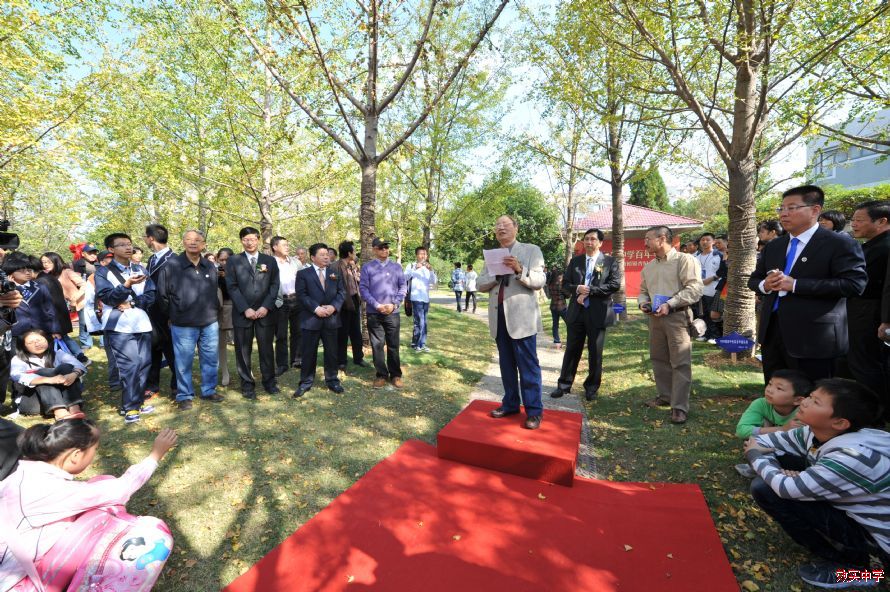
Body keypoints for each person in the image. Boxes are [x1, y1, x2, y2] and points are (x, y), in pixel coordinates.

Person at [743, 379, 889, 589]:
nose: (804, 402)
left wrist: (756, 457)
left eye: (816, 402)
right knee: (774, 475)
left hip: (882, 543)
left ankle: (862, 569)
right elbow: (761, 441)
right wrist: (777, 470)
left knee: (766, 488)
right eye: (811, 396)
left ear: (839, 422)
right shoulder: (815, 432)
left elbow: (783, 486)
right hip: (855, 512)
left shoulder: (852, 456)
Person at [0, 420, 177, 591]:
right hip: (13, 583)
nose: (94, 454)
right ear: (76, 456)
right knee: (102, 511)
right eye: (95, 449)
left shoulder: (21, 477)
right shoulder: (55, 491)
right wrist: (155, 455)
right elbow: (122, 488)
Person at [749, 185, 867, 384]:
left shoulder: (839, 244)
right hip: (773, 333)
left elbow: (854, 284)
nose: (783, 214)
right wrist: (765, 285)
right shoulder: (775, 246)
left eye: (792, 208)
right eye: (781, 208)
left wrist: (796, 285)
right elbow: (754, 280)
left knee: (812, 393)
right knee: (775, 391)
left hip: (814, 337)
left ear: (815, 210)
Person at [477, 215, 546, 430]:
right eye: (497, 225)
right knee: (506, 366)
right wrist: (495, 275)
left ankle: (534, 411)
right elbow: (479, 284)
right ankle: (510, 404)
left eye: (505, 225)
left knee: (528, 367)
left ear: (516, 228)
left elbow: (540, 280)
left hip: (522, 319)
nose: (500, 228)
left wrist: (518, 269)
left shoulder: (531, 250)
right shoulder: (492, 256)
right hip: (499, 318)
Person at [638, 225, 703, 424]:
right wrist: (643, 303)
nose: (645, 243)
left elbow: (694, 289)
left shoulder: (684, 260)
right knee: (658, 358)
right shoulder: (649, 267)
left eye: (648, 238)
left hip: (677, 316)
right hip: (655, 318)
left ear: (662, 238)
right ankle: (665, 396)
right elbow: (643, 291)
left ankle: (679, 407)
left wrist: (670, 304)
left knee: (680, 362)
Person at [551, 228, 621, 401]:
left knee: (595, 351)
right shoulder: (575, 261)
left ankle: (591, 388)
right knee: (572, 349)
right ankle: (564, 385)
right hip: (577, 313)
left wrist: (590, 290)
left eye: (593, 239)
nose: (589, 242)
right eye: (586, 239)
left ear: (600, 243)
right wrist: (577, 288)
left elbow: (614, 285)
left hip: (598, 313)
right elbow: (565, 285)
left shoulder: (610, 262)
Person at [157, 230, 222, 411]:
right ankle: (184, 395)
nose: (193, 242)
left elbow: (214, 291)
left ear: (204, 244)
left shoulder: (210, 265)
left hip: (209, 321)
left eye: (197, 240)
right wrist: (172, 315)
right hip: (183, 323)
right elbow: (162, 296)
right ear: (183, 242)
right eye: (189, 239)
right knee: (183, 362)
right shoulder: (171, 265)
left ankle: (209, 390)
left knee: (211, 359)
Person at [95, 233, 156, 424]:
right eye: (122, 245)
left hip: (141, 323)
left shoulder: (140, 268)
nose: (128, 247)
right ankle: (130, 407)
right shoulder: (103, 272)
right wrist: (126, 285)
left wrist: (133, 303)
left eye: (129, 244)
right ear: (111, 249)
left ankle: (138, 401)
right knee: (130, 366)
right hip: (118, 325)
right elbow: (108, 297)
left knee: (144, 364)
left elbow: (151, 294)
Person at [225, 226, 280, 399]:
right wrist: (245, 308)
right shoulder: (233, 261)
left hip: (265, 313)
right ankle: (247, 385)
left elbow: (274, 285)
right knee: (243, 351)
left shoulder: (269, 260)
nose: (249, 242)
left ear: (258, 240)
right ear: (241, 241)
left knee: (266, 350)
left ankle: (269, 382)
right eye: (246, 239)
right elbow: (232, 287)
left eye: (253, 239)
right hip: (243, 313)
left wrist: (266, 306)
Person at [846, 201, 890, 410]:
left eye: (859, 220)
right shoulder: (871, 245)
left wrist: (886, 320)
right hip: (861, 310)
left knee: (867, 364)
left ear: (881, 221)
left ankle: (875, 412)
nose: (854, 224)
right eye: (853, 220)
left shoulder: (885, 247)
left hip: (872, 312)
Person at [733, 369, 811, 477]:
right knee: (752, 440)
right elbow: (741, 431)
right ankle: (765, 467)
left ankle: (765, 468)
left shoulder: (804, 412)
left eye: (779, 388)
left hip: (795, 455)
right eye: (770, 384)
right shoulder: (761, 404)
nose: (770, 390)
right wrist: (782, 429)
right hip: (770, 447)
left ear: (797, 400)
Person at [293, 243, 346, 398]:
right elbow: (301, 295)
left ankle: (332, 380)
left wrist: (333, 307)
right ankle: (306, 382)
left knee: (331, 352)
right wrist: (316, 308)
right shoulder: (303, 274)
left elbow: (342, 292)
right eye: (322, 254)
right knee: (308, 352)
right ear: (312, 257)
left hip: (331, 319)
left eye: (327, 254)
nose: (326, 257)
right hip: (311, 319)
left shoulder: (334, 273)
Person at [359, 237, 407, 388]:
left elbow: (403, 287)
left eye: (386, 247)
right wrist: (377, 305)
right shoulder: (367, 267)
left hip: (393, 312)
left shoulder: (396, 267)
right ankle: (381, 375)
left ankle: (396, 375)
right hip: (374, 312)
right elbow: (363, 289)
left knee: (393, 344)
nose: (385, 250)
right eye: (381, 247)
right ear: (374, 250)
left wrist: (395, 304)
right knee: (377, 345)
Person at [10, 329, 87, 420]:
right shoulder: (18, 359)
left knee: (66, 367)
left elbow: (79, 365)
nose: (37, 344)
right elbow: (16, 376)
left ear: (47, 340)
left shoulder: (58, 354)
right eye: (30, 343)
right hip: (33, 402)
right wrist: (48, 380)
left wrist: (74, 374)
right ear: (23, 346)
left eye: (39, 340)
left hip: (61, 398)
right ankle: (59, 411)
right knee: (43, 372)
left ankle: (74, 408)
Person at [144, 223, 177, 400]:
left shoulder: (174, 259)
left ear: (151, 238)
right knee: (152, 349)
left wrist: (172, 315)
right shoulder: (151, 259)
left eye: (145, 237)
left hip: (168, 315)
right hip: (151, 313)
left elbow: (177, 291)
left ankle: (177, 386)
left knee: (172, 351)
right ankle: (152, 385)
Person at [39, 252, 89, 365]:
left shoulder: (66, 272)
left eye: (48, 262)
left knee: (80, 326)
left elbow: (84, 285)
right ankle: (74, 356)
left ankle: (82, 353)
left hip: (79, 303)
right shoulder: (47, 276)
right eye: (43, 262)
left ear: (56, 261)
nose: (45, 264)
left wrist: (74, 298)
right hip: (62, 306)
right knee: (62, 333)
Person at [2, 252, 60, 339]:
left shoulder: (40, 286)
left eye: (29, 269)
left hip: (42, 331)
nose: (27, 272)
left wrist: (55, 329)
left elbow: (50, 309)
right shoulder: (5, 291)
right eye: (22, 270)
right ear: (11, 272)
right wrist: (11, 287)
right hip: (17, 332)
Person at [271, 236, 301, 375]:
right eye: (284, 245)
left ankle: (297, 360)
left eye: (287, 244)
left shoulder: (296, 262)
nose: (287, 247)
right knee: (281, 334)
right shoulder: (269, 263)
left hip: (297, 300)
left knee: (298, 332)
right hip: (280, 302)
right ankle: (282, 364)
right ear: (275, 247)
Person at [335, 241, 367, 371]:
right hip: (343, 302)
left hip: (354, 300)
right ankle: (341, 361)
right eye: (353, 251)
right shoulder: (336, 266)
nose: (355, 253)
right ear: (349, 253)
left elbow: (358, 281)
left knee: (356, 331)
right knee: (342, 332)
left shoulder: (352, 265)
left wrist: (355, 270)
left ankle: (358, 358)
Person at [405, 246, 437, 352]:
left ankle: (419, 343)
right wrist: (415, 268)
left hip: (425, 298)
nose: (423, 256)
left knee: (423, 322)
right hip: (415, 297)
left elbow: (434, 281)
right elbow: (404, 277)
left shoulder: (428, 267)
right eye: (421, 254)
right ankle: (418, 344)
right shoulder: (411, 265)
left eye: (425, 254)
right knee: (420, 321)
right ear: (416, 255)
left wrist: (431, 270)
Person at [694, 233, 723, 342]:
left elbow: (723, 271)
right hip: (700, 289)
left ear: (713, 242)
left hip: (714, 289)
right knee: (703, 313)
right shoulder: (696, 257)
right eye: (702, 240)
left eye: (707, 240)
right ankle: (706, 334)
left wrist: (712, 278)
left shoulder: (718, 255)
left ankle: (715, 336)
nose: (704, 242)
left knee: (713, 314)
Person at [72, 245, 98, 350]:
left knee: (101, 317)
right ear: (83, 254)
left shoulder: (100, 264)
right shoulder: (75, 264)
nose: (93, 255)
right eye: (90, 253)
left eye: (94, 253)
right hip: (83, 295)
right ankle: (86, 342)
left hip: (98, 295)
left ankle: (104, 341)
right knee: (83, 320)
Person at [216, 247, 235, 387]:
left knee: (242, 342)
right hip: (220, 310)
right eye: (221, 259)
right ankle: (225, 372)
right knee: (221, 344)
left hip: (237, 309)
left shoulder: (239, 271)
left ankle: (247, 370)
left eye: (226, 259)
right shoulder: (214, 273)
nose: (223, 262)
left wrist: (228, 277)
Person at [546, 269, 566, 347]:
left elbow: (549, 295)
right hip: (562, 307)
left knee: (555, 324)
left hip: (553, 306)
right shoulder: (560, 285)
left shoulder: (550, 284)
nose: (561, 277)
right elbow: (568, 295)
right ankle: (571, 340)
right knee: (570, 323)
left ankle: (557, 342)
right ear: (557, 276)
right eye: (560, 276)